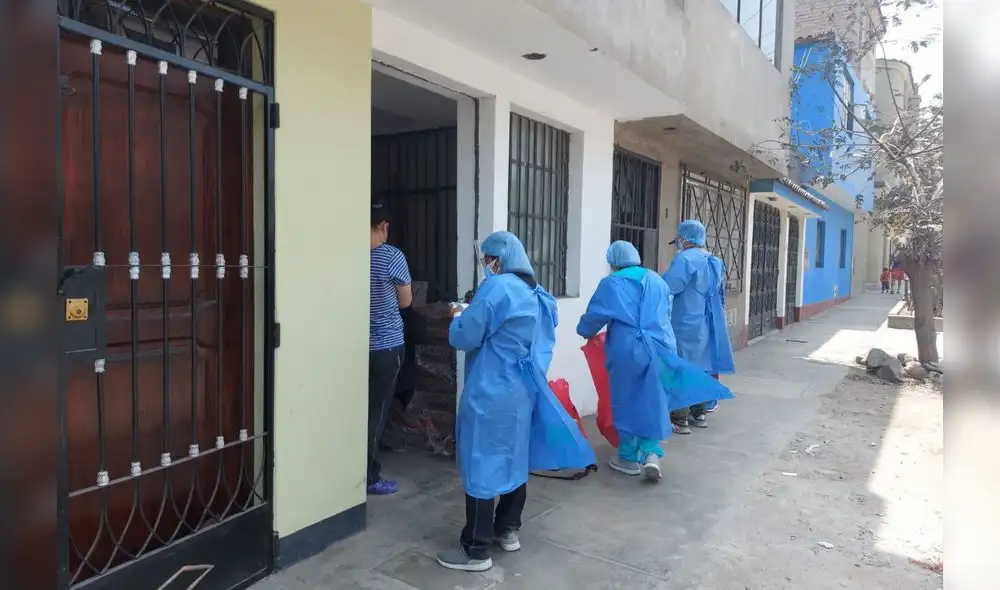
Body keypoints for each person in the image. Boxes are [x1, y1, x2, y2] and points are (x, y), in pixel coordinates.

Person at [437, 231, 595, 572]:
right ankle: (507, 529)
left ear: (499, 259)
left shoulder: (498, 288)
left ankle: (476, 549)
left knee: (481, 460)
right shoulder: (537, 294)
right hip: (522, 390)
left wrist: (458, 317)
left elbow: (466, 336)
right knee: (514, 457)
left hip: (491, 389)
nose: (486, 265)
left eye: (487, 259)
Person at [576, 241, 733, 480]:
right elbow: (667, 312)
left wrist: (584, 330)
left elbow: (595, 317)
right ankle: (651, 453)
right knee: (653, 398)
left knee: (626, 400)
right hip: (660, 346)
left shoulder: (612, 283)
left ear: (614, 261)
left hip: (628, 350)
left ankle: (628, 458)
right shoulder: (656, 280)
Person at [662, 220, 736, 434]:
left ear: (684, 238)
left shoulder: (684, 259)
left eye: (679, 239)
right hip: (707, 320)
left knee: (681, 366)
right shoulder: (713, 261)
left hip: (685, 320)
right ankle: (699, 413)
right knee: (700, 367)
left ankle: (680, 418)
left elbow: (668, 287)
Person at [367, 200, 413, 495]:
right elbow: (406, 301)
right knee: (378, 411)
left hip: (355, 345)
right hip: (387, 346)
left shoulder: (347, 254)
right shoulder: (392, 256)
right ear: (384, 226)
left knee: (355, 409)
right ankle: (370, 476)